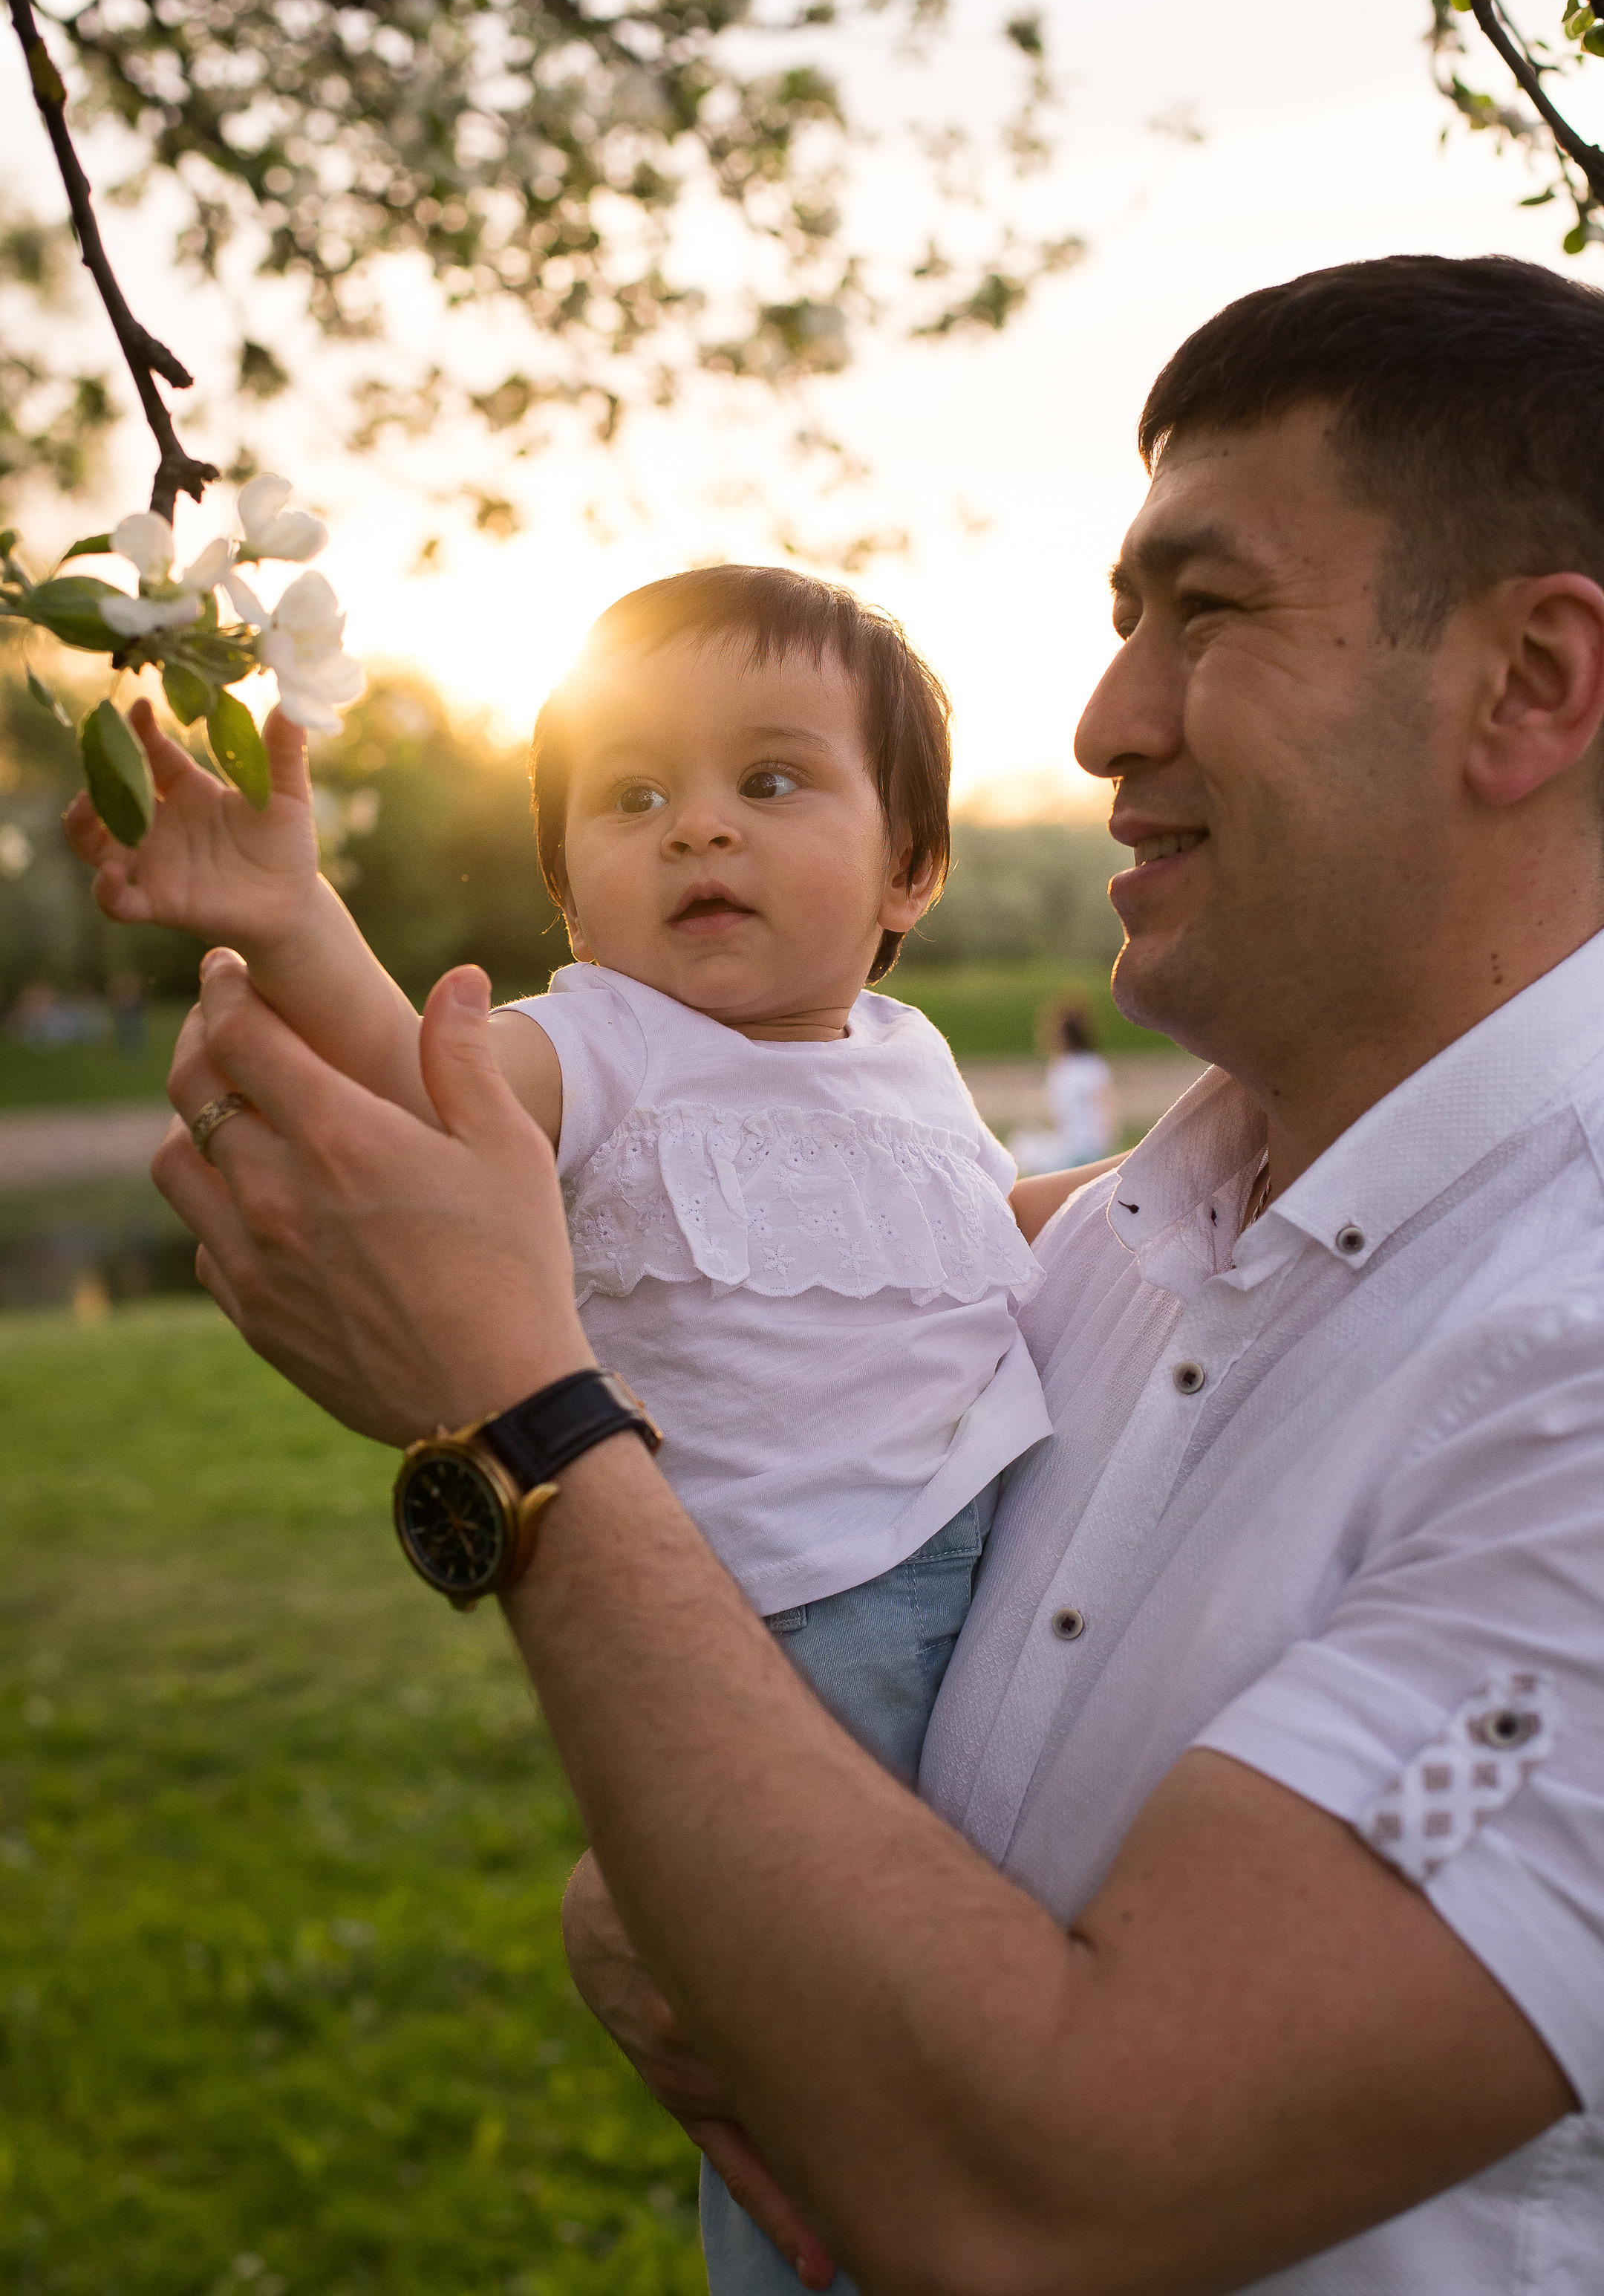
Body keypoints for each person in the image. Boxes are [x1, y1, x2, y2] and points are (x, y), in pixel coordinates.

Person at [149, 252, 1604, 2295]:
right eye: (1119, 627)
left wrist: (517, 1424)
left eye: (1208, 612)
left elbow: (1058, 2187)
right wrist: (690, 1889)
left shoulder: (1573, 1360)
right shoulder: (1124, 1238)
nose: (1104, 719)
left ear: (1531, 684)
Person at [65, 565, 1103, 2281]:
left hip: (995, 1594)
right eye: (632, 797)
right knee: (815, 2097)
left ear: (910, 863)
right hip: (792, 1648)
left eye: (768, 781)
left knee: (997, 2046)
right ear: (565, 883)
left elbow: (969, 1245)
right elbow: (419, 1087)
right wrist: (296, 912)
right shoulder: (602, 1046)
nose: (696, 828)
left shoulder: (911, 1054)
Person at [1008, 993, 1116, 1175]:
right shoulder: (1091, 1065)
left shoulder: (1065, 1069)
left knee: (1020, 1146)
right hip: (1088, 1147)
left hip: (1078, 1150)